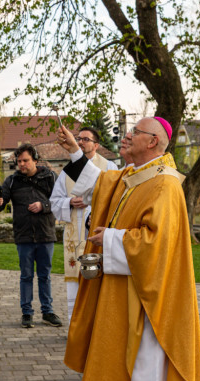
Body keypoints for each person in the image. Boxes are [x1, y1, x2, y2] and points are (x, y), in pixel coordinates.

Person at [59, 118, 200, 381]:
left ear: (153, 141)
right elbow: (100, 183)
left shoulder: (164, 184)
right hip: (126, 284)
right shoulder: (134, 175)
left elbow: (157, 243)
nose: (127, 136)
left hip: (149, 291)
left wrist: (112, 239)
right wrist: (75, 152)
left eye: (135, 132)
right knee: (126, 350)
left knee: (145, 357)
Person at [0, 144, 62, 329]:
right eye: (19, 161)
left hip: (45, 234)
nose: (21, 164)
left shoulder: (51, 177)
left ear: (35, 160)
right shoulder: (12, 181)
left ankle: (47, 312)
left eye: (25, 161)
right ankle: (27, 313)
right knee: (26, 276)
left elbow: (60, 201)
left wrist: (43, 206)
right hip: (24, 236)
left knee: (45, 276)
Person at [50, 127, 117, 321]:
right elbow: (54, 201)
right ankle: (76, 324)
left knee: (100, 280)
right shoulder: (68, 171)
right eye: (78, 138)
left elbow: (115, 198)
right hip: (75, 232)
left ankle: (100, 324)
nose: (81, 142)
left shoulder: (109, 167)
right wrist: (69, 202)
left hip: (98, 230)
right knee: (76, 283)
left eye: (86, 139)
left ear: (96, 145)